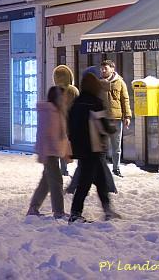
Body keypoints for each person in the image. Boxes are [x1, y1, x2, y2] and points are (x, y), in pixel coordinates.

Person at [67, 67, 120, 223]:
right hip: (94, 147)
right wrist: (111, 129)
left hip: (80, 148)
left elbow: (70, 123)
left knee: (100, 179)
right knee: (86, 182)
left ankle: (107, 209)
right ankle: (76, 213)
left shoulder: (76, 103)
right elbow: (102, 125)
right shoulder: (95, 103)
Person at [27, 86, 70, 219]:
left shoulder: (57, 111)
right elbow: (44, 134)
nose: (65, 99)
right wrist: (44, 154)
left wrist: (66, 151)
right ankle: (58, 211)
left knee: (46, 181)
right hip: (49, 152)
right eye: (63, 96)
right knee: (56, 181)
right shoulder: (49, 112)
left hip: (53, 151)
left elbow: (61, 135)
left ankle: (34, 208)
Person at [100, 60, 131, 177]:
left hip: (116, 119)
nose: (103, 71)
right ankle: (102, 169)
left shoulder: (120, 82)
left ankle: (116, 168)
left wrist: (127, 116)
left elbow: (125, 99)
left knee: (116, 146)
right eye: (102, 69)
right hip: (102, 119)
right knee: (102, 146)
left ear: (112, 69)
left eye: (105, 68)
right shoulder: (98, 83)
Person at [52, 65, 78, 176]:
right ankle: (70, 169)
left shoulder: (54, 91)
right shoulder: (73, 90)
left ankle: (62, 169)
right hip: (71, 121)